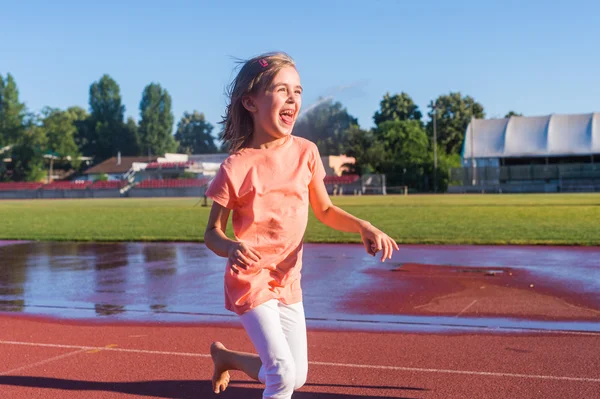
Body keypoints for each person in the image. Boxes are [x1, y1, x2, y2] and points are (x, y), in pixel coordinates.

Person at [204, 51, 399, 399]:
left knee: (296, 376)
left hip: (288, 278)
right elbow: (211, 233)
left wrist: (362, 225)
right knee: (281, 375)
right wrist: (231, 247)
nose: (293, 98)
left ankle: (227, 358)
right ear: (250, 102)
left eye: (297, 90)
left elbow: (324, 209)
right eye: (281, 90)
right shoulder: (235, 167)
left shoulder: (306, 152)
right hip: (251, 279)